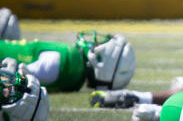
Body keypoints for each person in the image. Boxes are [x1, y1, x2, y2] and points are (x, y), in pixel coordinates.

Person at [0, 31, 135, 92]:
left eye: (100, 43)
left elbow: (20, 74)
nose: (95, 42)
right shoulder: (74, 81)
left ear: (101, 60)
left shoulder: (72, 59)